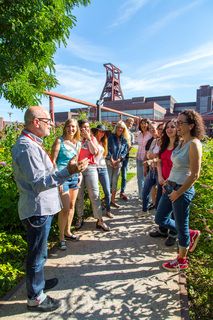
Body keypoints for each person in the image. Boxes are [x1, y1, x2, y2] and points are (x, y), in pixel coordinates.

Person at [12, 106, 88, 312]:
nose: (51, 125)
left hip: (41, 208)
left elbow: (45, 172)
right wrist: (68, 171)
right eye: (47, 121)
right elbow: (39, 183)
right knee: (36, 255)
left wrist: (66, 169)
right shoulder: (27, 147)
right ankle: (35, 298)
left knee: (41, 252)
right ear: (36, 122)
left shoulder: (32, 144)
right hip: (37, 210)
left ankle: (38, 284)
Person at [155, 110, 205, 271]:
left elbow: (195, 174)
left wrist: (179, 192)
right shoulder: (181, 141)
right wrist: (168, 182)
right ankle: (189, 233)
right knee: (160, 218)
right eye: (177, 122)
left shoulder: (194, 144)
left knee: (181, 226)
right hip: (171, 186)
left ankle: (181, 260)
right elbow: (177, 166)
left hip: (182, 190)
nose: (177, 126)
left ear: (191, 125)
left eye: (180, 123)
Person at [51, 119, 81, 250]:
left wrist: (79, 174)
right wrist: (57, 178)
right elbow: (52, 162)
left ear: (76, 129)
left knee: (71, 205)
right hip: (62, 178)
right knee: (64, 208)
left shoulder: (77, 143)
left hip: (74, 177)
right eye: (68, 126)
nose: (71, 129)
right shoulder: (59, 141)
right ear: (65, 128)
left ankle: (68, 231)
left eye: (73, 127)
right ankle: (61, 238)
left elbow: (77, 160)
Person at [75, 119, 110, 231]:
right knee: (79, 196)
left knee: (95, 194)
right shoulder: (76, 139)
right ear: (79, 128)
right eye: (84, 127)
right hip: (78, 169)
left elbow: (94, 152)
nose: (86, 129)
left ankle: (99, 220)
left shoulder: (92, 138)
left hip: (90, 168)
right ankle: (80, 218)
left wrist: (89, 138)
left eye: (88, 127)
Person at [149, 119, 179, 246]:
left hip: (174, 183)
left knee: (173, 210)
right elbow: (159, 161)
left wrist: (168, 181)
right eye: (168, 127)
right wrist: (160, 177)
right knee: (162, 208)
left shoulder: (180, 146)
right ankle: (162, 230)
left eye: (173, 127)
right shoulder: (164, 144)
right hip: (163, 181)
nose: (169, 129)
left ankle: (173, 234)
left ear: (178, 129)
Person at [106, 120, 129, 208]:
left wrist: (119, 160)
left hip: (118, 163)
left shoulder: (124, 139)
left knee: (115, 182)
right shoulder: (111, 137)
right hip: (109, 162)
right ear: (116, 128)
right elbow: (107, 148)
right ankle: (107, 201)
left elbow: (124, 151)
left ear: (124, 129)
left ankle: (112, 200)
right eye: (118, 127)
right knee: (108, 182)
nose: (120, 129)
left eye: (122, 128)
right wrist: (111, 158)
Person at [92, 124, 113, 218]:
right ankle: (97, 212)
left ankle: (108, 210)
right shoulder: (92, 140)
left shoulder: (104, 142)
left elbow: (104, 155)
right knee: (95, 192)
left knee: (107, 191)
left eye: (103, 131)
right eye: (100, 131)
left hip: (103, 168)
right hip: (94, 168)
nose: (102, 133)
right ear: (96, 131)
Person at [135, 119, 152, 200]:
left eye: (145, 123)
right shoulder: (139, 134)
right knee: (139, 177)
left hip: (146, 159)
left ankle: (146, 195)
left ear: (148, 125)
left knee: (146, 178)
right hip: (138, 158)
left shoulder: (150, 134)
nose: (143, 125)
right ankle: (140, 195)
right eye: (142, 123)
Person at [120, 117, 135, 201]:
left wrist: (123, 155)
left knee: (124, 175)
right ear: (125, 122)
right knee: (115, 175)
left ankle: (122, 191)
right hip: (116, 157)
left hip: (125, 157)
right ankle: (111, 192)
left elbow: (130, 147)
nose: (130, 124)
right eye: (129, 122)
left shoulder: (131, 135)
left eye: (132, 123)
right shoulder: (120, 131)